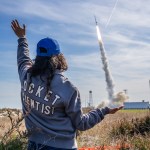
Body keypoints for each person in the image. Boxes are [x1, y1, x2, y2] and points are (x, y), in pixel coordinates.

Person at [11, 19, 123, 150]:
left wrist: (22, 38)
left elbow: (23, 58)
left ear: (38, 57)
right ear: (58, 57)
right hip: (62, 147)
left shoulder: (26, 76)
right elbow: (81, 123)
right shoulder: (68, 88)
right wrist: (105, 110)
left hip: (34, 144)